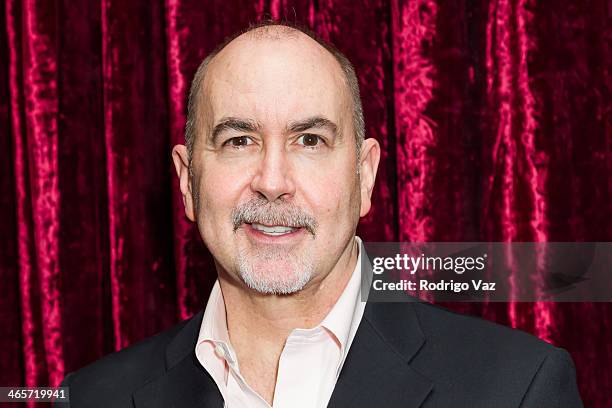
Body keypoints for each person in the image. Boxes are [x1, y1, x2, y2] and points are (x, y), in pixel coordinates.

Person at [58, 22, 582, 407]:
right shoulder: (89, 398)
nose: (273, 181)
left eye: (310, 140)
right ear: (187, 182)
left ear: (365, 177)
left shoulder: (519, 388)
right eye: (238, 140)